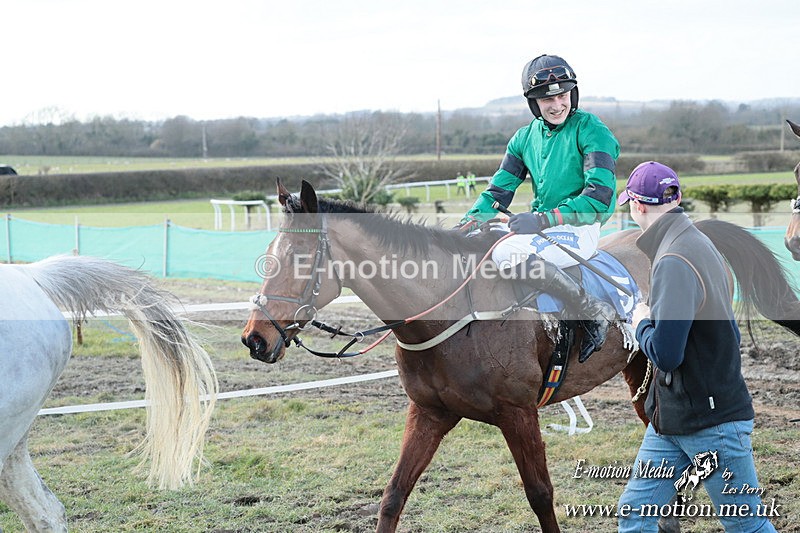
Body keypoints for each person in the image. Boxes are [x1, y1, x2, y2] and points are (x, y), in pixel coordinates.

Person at [617, 161, 777, 533]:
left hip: (711, 423)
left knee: (747, 525)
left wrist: (640, 322)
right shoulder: (695, 241)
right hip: (673, 419)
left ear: (638, 206)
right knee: (635, 515)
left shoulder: (673, 259)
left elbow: (667, 354)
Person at [456, 53, 620, 362]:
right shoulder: (523, 138)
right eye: (547, 99)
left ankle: (593, 309)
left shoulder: (592, 130)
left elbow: (597, 199)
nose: (557, 104)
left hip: (580, 228)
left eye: (562, 95)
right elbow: (497, 193)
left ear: (572, 93)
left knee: (505, 252)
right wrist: (467, 224)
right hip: (544, 225)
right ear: (534, 103)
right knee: (481, 239)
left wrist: (544, 219)